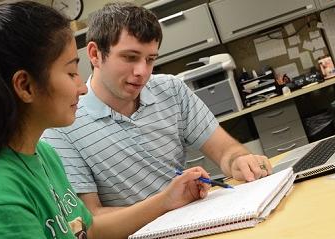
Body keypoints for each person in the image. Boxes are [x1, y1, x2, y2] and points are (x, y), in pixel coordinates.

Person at [0, 1, 211, 239]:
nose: (82, 88)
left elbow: (86, 233)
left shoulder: (42, 154)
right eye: (71, 72)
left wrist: (167, 200)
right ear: (25, 86)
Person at [42, 2, 273, 216]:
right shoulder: (63, 124)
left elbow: (225, 151)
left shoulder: (170, 89)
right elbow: (92, 218)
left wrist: (240, 161)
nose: (142, 71)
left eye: (150, 59)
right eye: (130, 57)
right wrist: (165, 202)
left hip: (195, 219)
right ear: (94, 54)